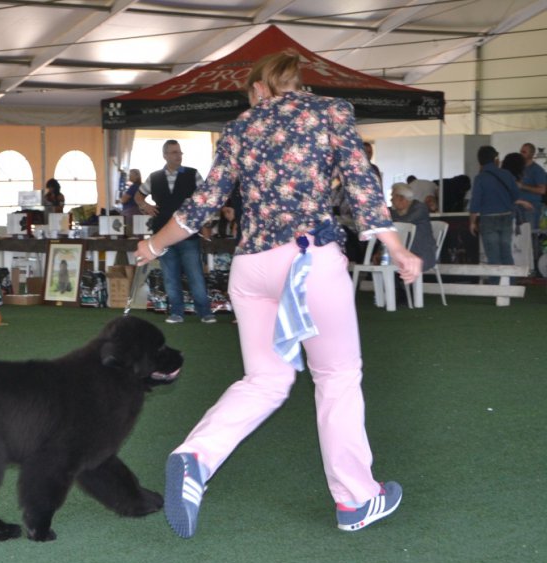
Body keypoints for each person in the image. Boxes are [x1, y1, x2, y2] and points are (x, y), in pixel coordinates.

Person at [135, 50, 421, 538]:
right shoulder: (330, 113)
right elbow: (359, 182)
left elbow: (204, 202)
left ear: (259, 88)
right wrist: (395, 246)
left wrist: (152, 244)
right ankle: (356, 500)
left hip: (251, 267)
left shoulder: (240, 128)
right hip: (308, 260)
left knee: (264, 381)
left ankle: (195, 456)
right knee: (337, 377)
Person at [135, 140, 215, 324]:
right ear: (165, 155)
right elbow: (138, 195)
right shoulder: (154, 177)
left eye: (179, 152)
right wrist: (144, 204)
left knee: (195, 274)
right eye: (174, 152)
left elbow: (206, 195)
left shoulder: (193, 174)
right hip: (162, 234)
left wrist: (206, 222)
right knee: (170, 276)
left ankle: (205, 312)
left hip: (189, 233)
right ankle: (176, 312)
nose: (178, 155)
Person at [468, 146, 518, 282]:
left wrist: (472, 222)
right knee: (506, 252)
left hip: (488, 219)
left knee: (493, 255)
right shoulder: (507, 174)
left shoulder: (480, 178)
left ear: (480, 161)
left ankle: (496, 286)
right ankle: (510, 284)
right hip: (507, 217)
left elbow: (475, 203)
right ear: (495, 158)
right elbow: (516, 195)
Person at [390, 182, 437, 271]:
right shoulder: (394, 212)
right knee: (385, 262)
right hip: (404, 252)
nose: (391, 200)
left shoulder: (419, 208)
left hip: (422, 254)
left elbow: (402, 224)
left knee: (392, 262)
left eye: (393, 196)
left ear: (402, 198)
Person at [518, 143, 547, 271]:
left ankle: (535, 265)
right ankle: (523, 265)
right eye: (521, 151)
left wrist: (523, 186)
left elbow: (542, 190)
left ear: (532, 154)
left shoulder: (537, 170)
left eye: (524, 152)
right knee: (520, 237)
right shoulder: (519, 169)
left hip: (532, 208)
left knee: (532, 235)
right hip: (518, 207)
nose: (521, 153)